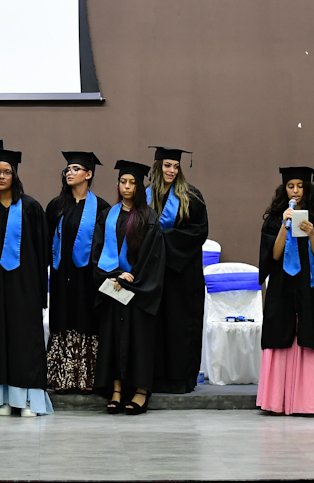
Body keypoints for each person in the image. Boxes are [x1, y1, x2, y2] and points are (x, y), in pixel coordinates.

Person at [0, 149, 52, 416]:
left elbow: (42, 252)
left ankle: (26, 400)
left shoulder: (31, 207)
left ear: (15, 175)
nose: (1, 176)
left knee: (23, 340)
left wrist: (38, 291)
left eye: (7, 172)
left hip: (23, 287)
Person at [257, 167, 314, 416]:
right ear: (284, 189)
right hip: (282, 285)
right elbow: (274, 255)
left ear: (307, 189)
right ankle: (277, 401)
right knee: (279, 332)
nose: (295, 191)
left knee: (309, 334)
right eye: (291, 186)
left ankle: (311, 401)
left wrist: (312, 234)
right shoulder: (274, 219)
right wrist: (284, 225)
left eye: (300, 186)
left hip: (308, 285)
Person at [93, 160, 166, 415]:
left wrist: (131, 279)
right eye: (122, 181)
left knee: (139, 342)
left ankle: (140, 392)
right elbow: (98, 252)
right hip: (113, 288)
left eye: (132, 182)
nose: (126, 186)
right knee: (113, 339)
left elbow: (153, 258)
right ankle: (116, 390)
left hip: (138, 291)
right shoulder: (108, 216)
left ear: (139, 187)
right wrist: (115, 276)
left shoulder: (149, 218)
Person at [45, 151, 110, 392]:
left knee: (86, 320)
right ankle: (61, 378)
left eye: (75, 169)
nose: (69, 173)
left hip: (88, 279)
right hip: (62, 276)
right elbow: (46, 241)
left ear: (88, 174)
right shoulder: (56, 206)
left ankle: (87, 379)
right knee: (62, 320)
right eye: (68, 169)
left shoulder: (102, 208)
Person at [146, 146, 208, 394]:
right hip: (153, 272)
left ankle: (181, 379)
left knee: (180, 326)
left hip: (183, 273)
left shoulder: (191, 196)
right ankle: (154, 377)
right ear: (157, 167)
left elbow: (198, 232)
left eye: (175, 166)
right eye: (167, 165)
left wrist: (162, 239)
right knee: (156, 326)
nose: (172, 170)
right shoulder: (146, 196)